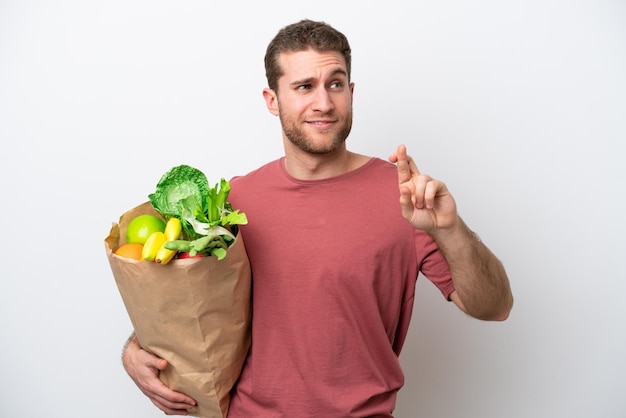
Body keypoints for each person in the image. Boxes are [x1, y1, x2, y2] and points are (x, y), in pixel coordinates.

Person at [122, 19, 513, 417]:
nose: (324, 103)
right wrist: (134, 349)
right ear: (272, 99)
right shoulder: (234, 202)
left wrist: (450, 229)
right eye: (304, 86)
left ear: (351, 92)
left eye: (336, 84)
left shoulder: (406, 197)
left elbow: (495, 306)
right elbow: (192, 301)